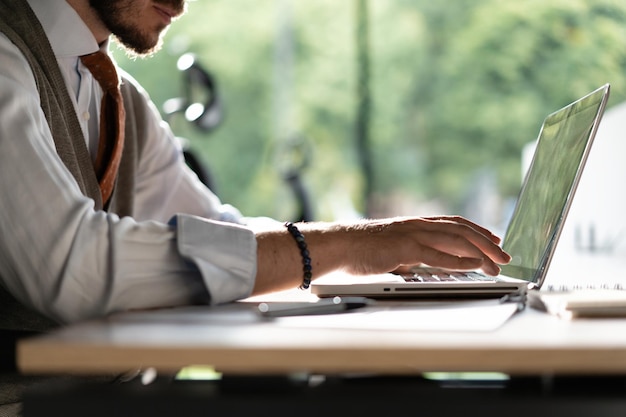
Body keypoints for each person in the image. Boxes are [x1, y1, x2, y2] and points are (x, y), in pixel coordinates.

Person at [0, 0, 511, 414]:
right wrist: (336, 247)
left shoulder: (118, 95)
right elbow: (73, 266)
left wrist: (360, 249)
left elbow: (217, 228)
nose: (181, 6)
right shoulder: (6, 56)